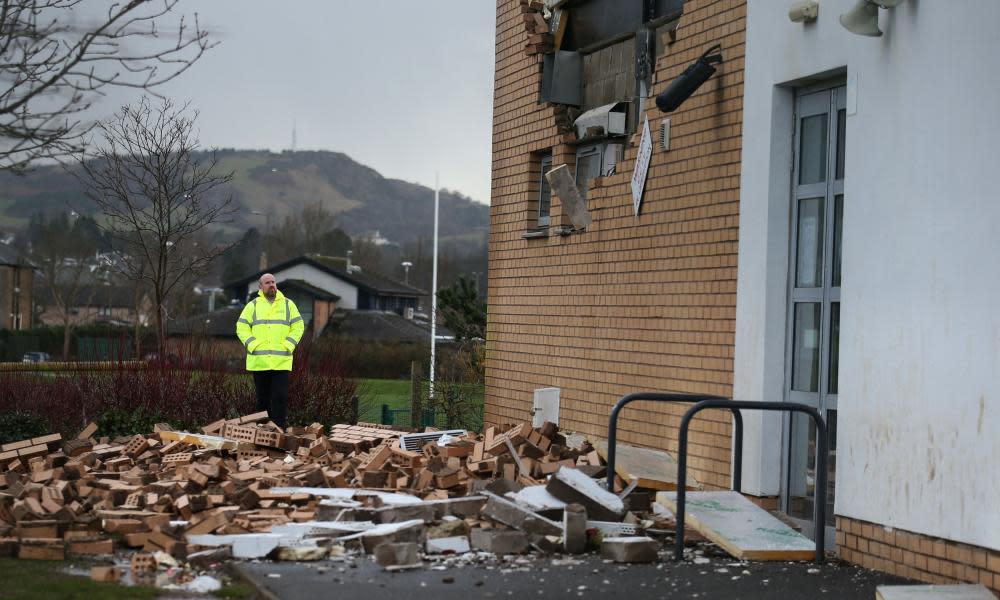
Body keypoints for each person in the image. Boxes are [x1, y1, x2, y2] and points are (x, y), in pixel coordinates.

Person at [235, 273, 304, 427]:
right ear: (260, 287)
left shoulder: (288, 304)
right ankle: (261, 431)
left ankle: (279, 430)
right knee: (262, 400)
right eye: (267, 283)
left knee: (280, 397)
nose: (271, 285)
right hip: (260, 362)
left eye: (273, 282)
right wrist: (252, 345)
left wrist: (289, 344)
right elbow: (241, 326)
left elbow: (298, 326)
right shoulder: (253, 305)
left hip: (281, 361)